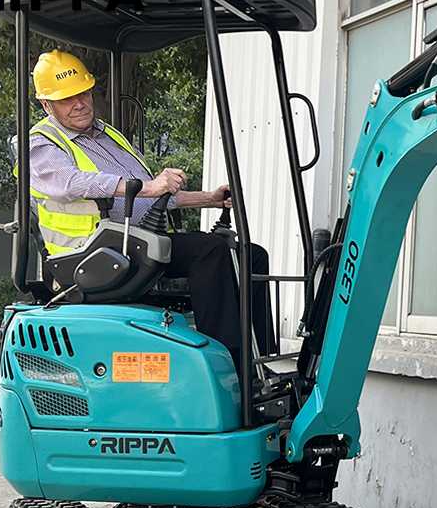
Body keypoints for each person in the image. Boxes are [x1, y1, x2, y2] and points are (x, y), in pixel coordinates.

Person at [23, 49, 274, 365]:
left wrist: (209, 198)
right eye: (66, 99)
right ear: (46, 105)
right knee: (209, 251)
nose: (79, 103)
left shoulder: (109, 136)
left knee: (251, 255)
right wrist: (150, 186)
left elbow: (151, 195)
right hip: (91, 255)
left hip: (134, 243)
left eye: (83, 93)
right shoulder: (39, 144)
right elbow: (72, 183)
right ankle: (227, 363)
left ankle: (261, 362)